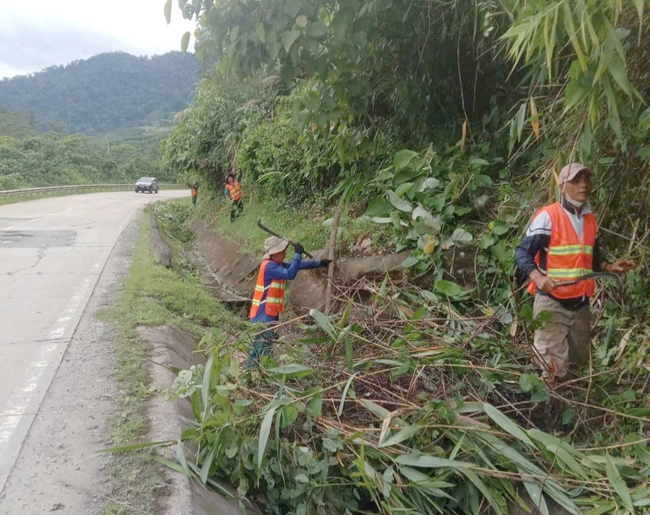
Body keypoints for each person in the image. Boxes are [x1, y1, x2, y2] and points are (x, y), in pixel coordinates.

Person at [515, 162, 634, 382]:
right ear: (562, 186)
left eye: (586, 180)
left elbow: (592, 255)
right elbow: (522, 253)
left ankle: (577, 408)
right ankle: (548, 409)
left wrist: (609, 267)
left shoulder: (590, 219)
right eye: (576, 181)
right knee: (552, 370)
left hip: (580, 305)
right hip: (552, 302)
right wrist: (538, 277)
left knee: (579, 365)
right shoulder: (548, 216)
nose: (583, 185)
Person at [247, 236, 330, 367]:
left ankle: (260, 372)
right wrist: (297, 254)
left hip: (269, 313)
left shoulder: (275, 264)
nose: (285, 253)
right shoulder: (269, 267)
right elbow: (290, 274)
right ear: (274, 253)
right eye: (282, 251)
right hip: (263, 315)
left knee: (265, 346)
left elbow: (296, 266)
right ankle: (251, 373)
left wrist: (319, 263)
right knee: (260, 347)